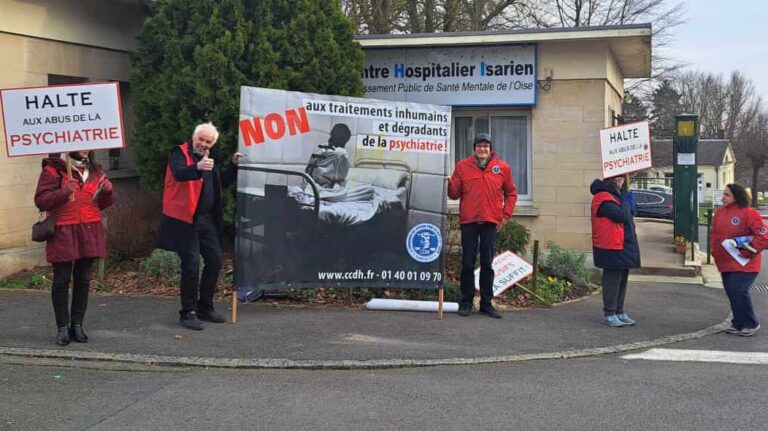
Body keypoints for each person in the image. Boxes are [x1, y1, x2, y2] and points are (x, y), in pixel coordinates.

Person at [157, 122, 240, 330]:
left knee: (215, 260)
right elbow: (179, 174)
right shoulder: (178, 153)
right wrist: (197, 167)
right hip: (185, 218)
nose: (203, 144)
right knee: (191, 264)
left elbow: (223, 180)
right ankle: (188, 312)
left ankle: (205, 307)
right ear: (193, 137)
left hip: (206, 219)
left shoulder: (211, 157)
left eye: (208, 141)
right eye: (200, 139)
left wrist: (234, 164)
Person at [34, 151, 115, 345]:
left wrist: (109, 191)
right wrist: (63, 192)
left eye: (88, 145)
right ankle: (62, 326)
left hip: (90, 227)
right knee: (62, 279)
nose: (86, 148)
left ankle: (77, 324)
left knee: (84, 279)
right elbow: (41, 200)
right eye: (81, 145)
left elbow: (101, 203)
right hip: (64, 229)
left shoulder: (96, 171)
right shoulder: (53, 171)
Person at [447, 133, 518, 318]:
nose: (482, 149)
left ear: (490, 148)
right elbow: (454, 195)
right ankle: (466, 302)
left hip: (490, 222)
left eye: (486, 146)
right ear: (474, 148)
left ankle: (486, 303)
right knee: (467, 263)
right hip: (469, 221)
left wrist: (505, 215)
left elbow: (511, 193)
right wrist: (450, 184)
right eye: (479, 146)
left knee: (487, 263)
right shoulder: (462, 166)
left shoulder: (502, 168)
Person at [710, 183, 768, 336]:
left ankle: (750, 323)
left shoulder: (749, 213)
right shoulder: (720, 212)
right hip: (725, 262)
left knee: (738, 290)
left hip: (745, 263)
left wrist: (748, 250)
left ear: (737, 196)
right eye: (723, 193)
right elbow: (715, 235)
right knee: (732, 292)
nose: (723, 197)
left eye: (727, 194)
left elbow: (763, 237)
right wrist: (714, 252)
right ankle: (738, 322)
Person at [590, 175, 640, 327]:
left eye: (622, 179)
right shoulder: (603, 198)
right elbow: (622, 216)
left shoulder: (615, 197)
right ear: (612, 181)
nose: (622, 182)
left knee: (622, 279)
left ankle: (619, 311)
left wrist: (627, 203)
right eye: (619, 179)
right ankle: (609, 313)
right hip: (611, 246)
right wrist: (626, 201)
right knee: (612, 280)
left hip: (622, 245)